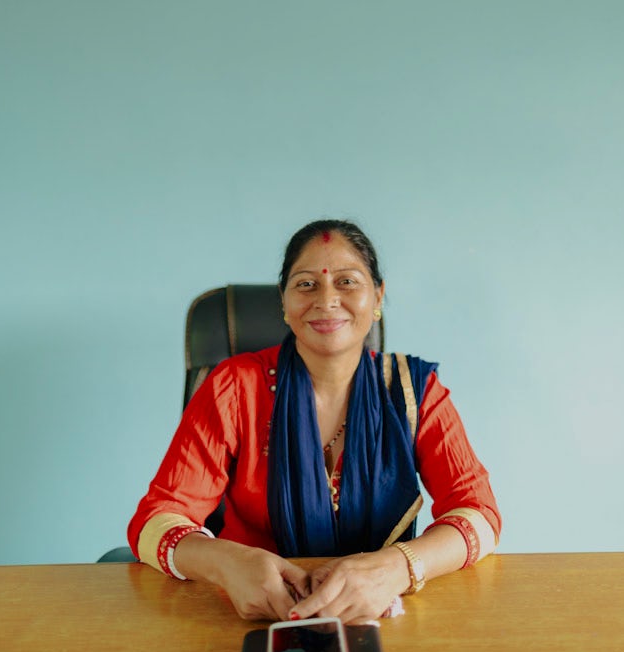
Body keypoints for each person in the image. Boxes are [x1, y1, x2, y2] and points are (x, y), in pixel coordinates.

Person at [128, 220, 500, 625]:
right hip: (249, 615)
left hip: (381, 615)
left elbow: (478, 513)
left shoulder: (415, 391)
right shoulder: (235, 387)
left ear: (377, 295)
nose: (326, 300)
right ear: (283, 304)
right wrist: (225, 562)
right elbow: (154, 520)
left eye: (347, 282)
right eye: (306, 284)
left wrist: (395, 568)